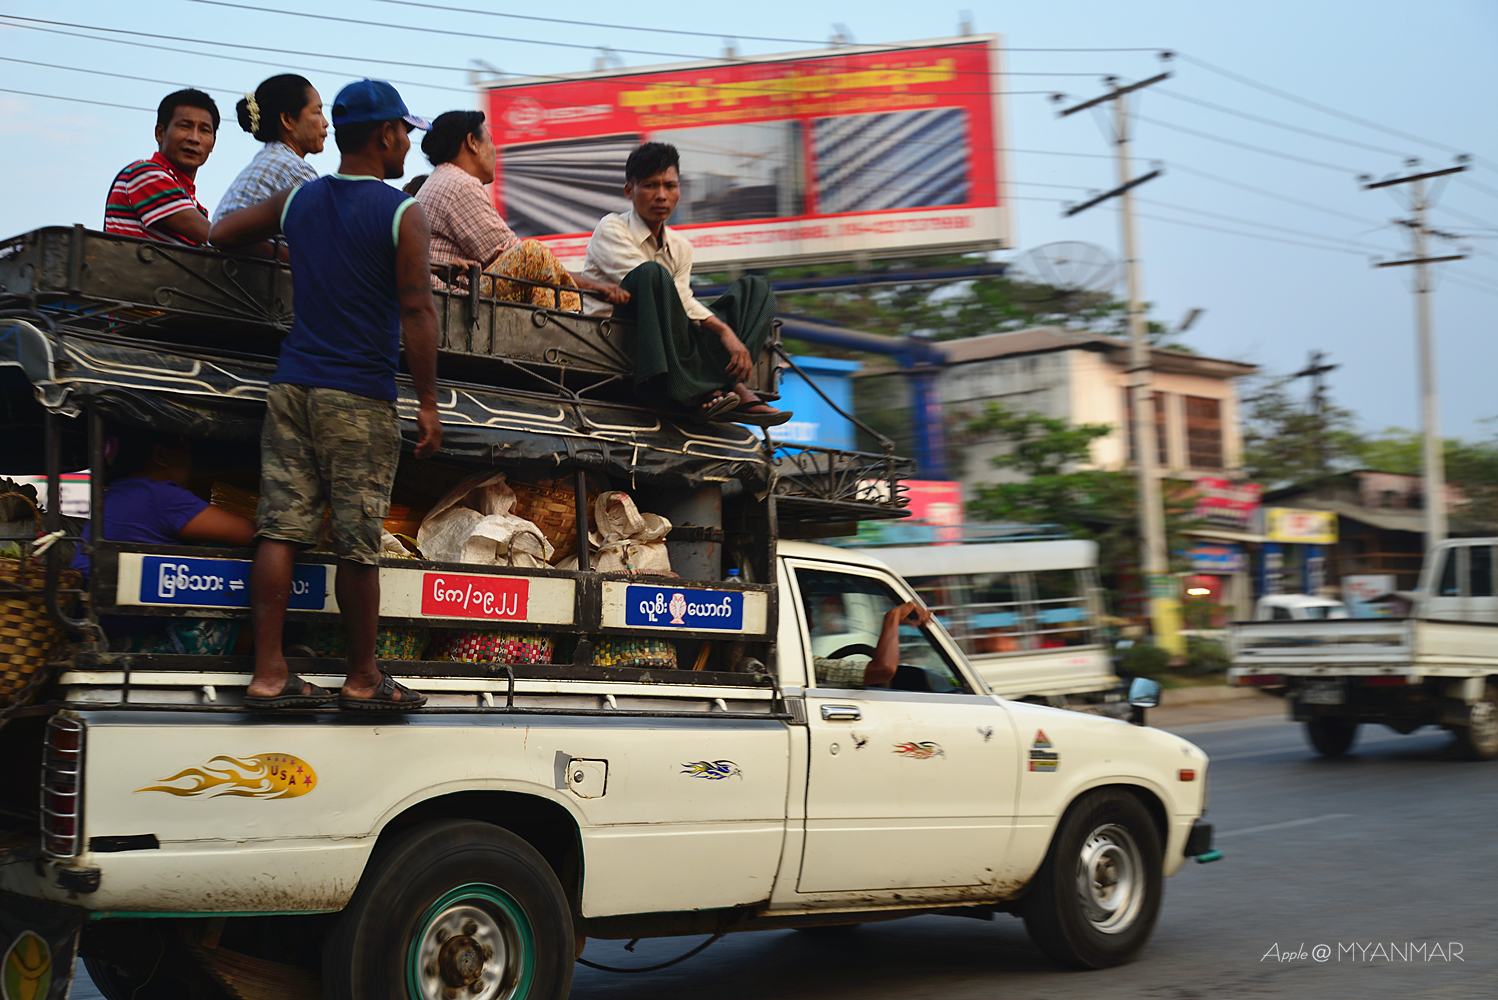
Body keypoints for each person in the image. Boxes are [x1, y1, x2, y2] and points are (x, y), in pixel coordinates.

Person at [209, 79, 442, 712]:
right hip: (358, 396)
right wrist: (427, 400)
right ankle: (363, 678)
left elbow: (221, 232)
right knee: (357, 541)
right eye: (404, 132)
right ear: (384, 134)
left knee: (279, 530)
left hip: (292, 386)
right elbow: (418, 311)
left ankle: (269, 674)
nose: (407, 144)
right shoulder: (402, 212)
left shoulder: (299, 201)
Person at [579, 142, 790, 426]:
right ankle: (705, 389)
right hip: (619, 335)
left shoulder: (681, 247)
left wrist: (725, 331)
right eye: (651, 186)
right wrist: (723, 330)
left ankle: (725, 385)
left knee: (756, 290)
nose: (662, 196)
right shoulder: (611, 229)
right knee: (653, 276)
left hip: (675, 337)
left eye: (670, 185)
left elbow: (683, 306)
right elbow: (666, 294)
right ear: (630, 191)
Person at [415, 110, 626, 310]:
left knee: (540, 286)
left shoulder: (440, 180)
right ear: (472, 142)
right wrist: (593, 287)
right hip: (454, 305)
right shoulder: (460, 184)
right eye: (489, 140)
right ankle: (574, 326)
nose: (493, 150)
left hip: (444, 300)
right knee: (532, 253)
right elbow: (517, 257)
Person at [72, 430, 256, 652]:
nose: (191, 462)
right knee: (233, 557)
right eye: (186, 452)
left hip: (96, 629)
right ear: (160, 455)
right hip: (136, 633)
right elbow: (251, 533)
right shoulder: (161, 494)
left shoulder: (114, 494)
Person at [104, 89, 219, 246]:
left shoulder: (192, 203)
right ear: (160, 133)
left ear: (213, 144)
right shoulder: (146, 174)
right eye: (185, 126)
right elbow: (214, 238)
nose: (194, 138)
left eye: (204, 130)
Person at [214, 74, 326, 220]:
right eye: (317, 112)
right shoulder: (292, 168)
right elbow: (331, 226)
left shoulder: (272, 158)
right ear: (287, 119)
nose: (325, 123)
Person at [812, 600, 934, 688]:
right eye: (807, 609)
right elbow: (884, 669)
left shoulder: (807, 666)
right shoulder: (810, 667)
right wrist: (893, 617)